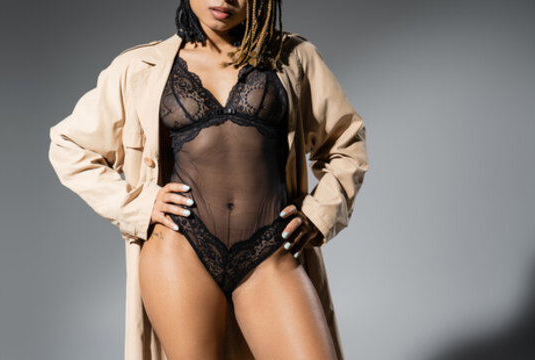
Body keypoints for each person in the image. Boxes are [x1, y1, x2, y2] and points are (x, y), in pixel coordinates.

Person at [47, 0, 369, 359]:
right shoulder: (141, 67)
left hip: (270, 250)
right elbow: (69, 145)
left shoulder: (293, 58)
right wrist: (140, 204)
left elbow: (345, 142)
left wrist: (320, 212)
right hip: (180, 248)